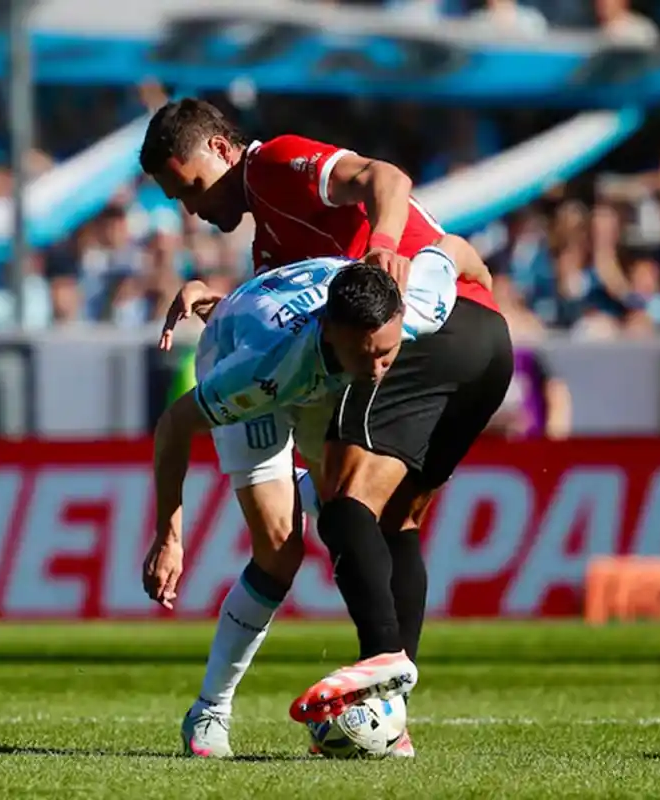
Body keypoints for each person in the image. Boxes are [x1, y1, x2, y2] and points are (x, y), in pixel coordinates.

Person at [139, 97, 498, 757]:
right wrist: (220, 303)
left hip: (378, 339)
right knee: (309, 537)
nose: (189, 206)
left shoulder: (273, 164)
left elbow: (386, 179)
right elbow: (286, 306)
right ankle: (222, 712)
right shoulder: (269, 233)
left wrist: (387, 250)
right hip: (312, 360)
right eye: (175, 198)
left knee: (353, 510)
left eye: (188, 185)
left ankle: (382, 695)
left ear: (221, 148)